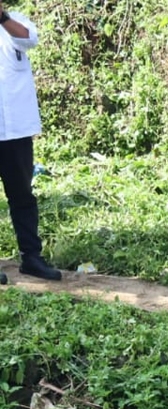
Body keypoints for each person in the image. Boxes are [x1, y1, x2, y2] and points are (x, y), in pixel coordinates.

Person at [0, 3, 59, 281]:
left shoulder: (15, 22)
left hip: (16, 131)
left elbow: (29, 38)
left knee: (22, 196)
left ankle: (31, 258)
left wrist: (2, 17)